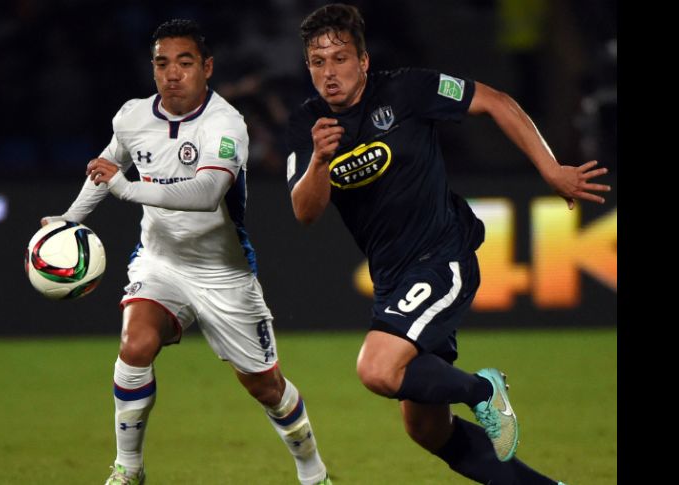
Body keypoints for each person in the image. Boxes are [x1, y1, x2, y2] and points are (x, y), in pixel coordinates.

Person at [286, 4, 609, 484]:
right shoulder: (309, 124)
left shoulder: (407, 90)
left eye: (340, 58)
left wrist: (551, 169)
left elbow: (497, 101)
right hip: (392, 278)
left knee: (376, 369)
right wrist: (318, 161)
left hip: (441, 257)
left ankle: (483, 390)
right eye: (318, 62)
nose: (329, 73)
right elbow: (305, 211)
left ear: (364, 60)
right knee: (427, 429)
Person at [43, 19, 332, 485]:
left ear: (207, 67)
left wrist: (127, 189)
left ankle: (313, 471)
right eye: (162, 64)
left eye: (184, 62)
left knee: (266, 387)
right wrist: (69, 220)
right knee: (134, 347)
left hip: (223, 274)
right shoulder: (132, 116)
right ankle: (128, 469)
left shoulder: (226, 124)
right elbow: (106, 167)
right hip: (160, 261)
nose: (172, 74)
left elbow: (206, 192)